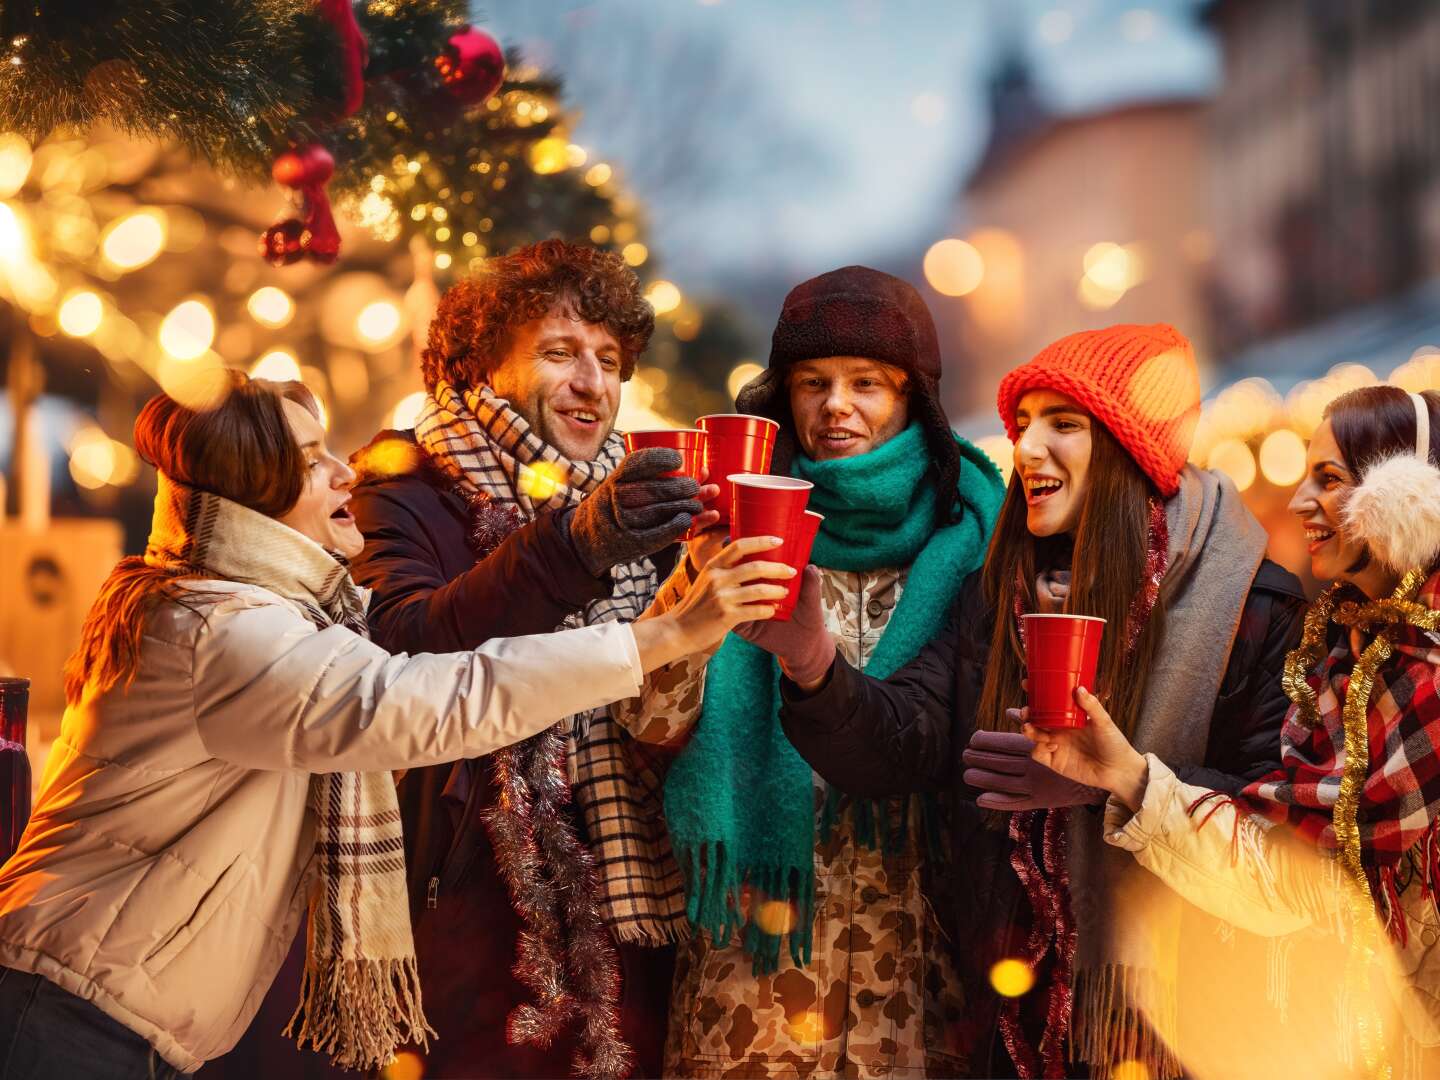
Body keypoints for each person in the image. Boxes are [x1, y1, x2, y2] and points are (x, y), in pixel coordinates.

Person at [0, 374, 791, 1079]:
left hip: (103, 1013)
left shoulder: (258, 606)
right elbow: (422, 699)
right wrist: (664, 637)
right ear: (252, 496)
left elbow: (425, 643)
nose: (344, 471)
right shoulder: (223, 630)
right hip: (68, 1019)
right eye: (311, 463)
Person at [770, 324, 1307, 1078]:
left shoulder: (1253, 609)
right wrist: (814, 667)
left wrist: (1114, 787)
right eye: (1022, 425)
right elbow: (907, 742)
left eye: (1065, 425)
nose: (1025, 449)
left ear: (1128, 451)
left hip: (1183, 1026)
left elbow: (1283, 838)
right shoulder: (996, 594)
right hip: (1012, 1009)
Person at [613, 266, 1006, 1077]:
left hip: (918, 974)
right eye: (812, 383)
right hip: (753, 978)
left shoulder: (978, 540)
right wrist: (699, 584)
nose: (836, 407)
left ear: (914, 399)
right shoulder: (734, 519)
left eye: (867, 383)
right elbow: (647, 721)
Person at [345, 239, 709, 1078]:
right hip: (470, 909)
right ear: (479, 367)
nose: (594, 384)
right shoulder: (402, 482)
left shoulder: (637, 500)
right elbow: (401, 646)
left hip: (629, 904)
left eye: (610, 360)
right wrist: (573, 546)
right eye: (559, 353)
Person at [1027, 384, 1440, 1070]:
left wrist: (1130, 778)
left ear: (1409, 497)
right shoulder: (1351, 648)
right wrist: (1124, 774)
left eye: (1329, 479)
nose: (1302, 500)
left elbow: (1297, 879)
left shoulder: (1423, 677)